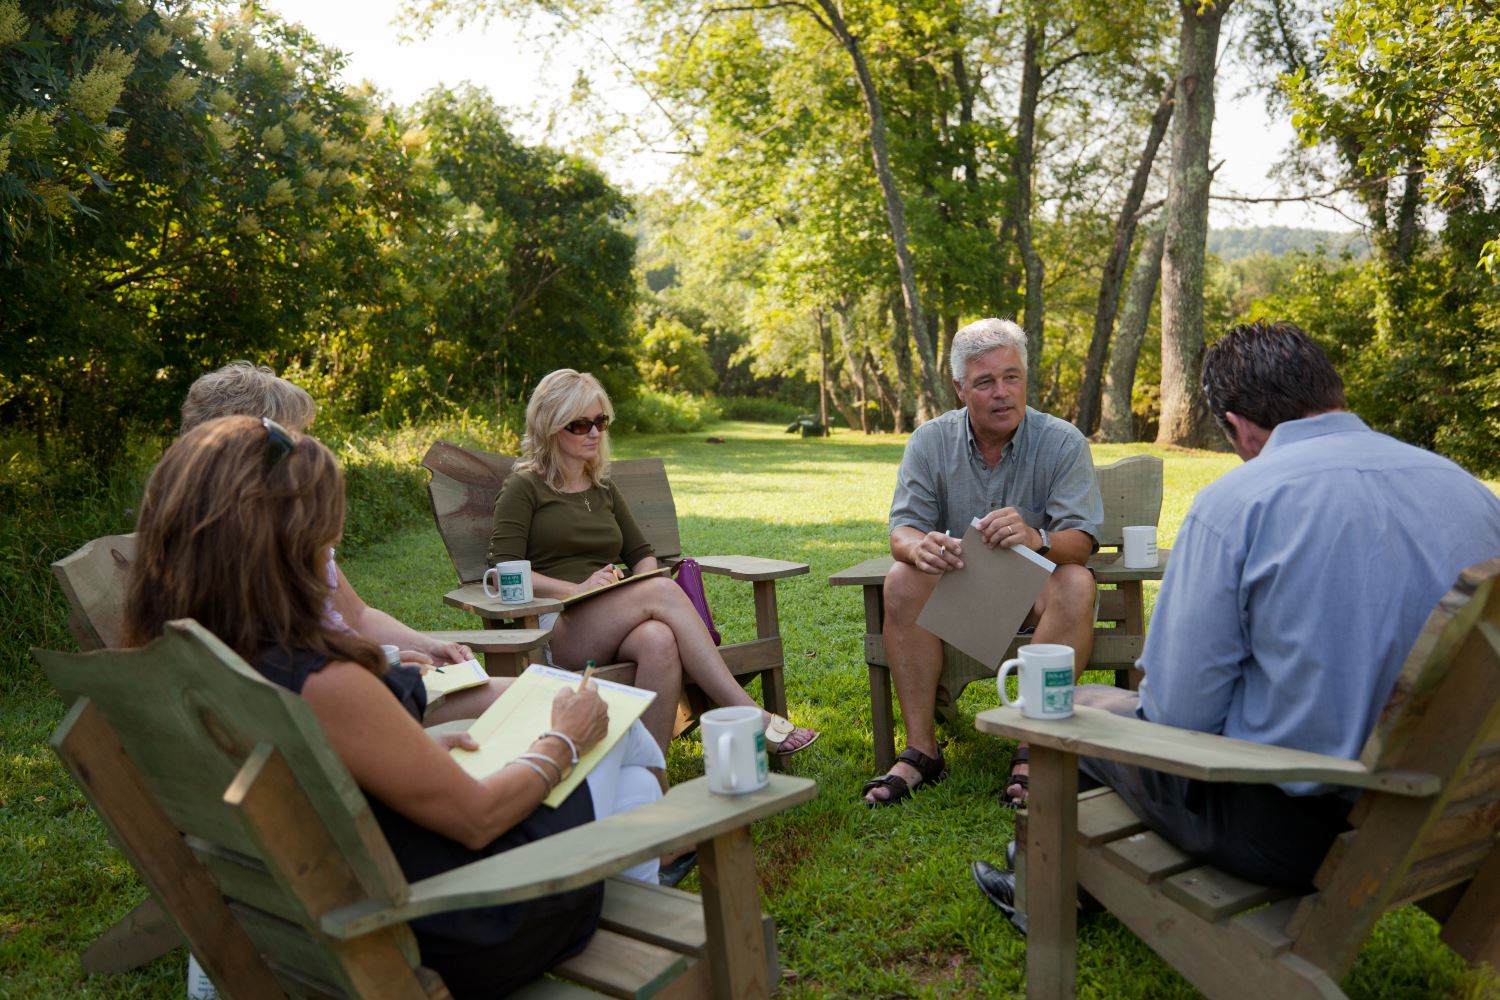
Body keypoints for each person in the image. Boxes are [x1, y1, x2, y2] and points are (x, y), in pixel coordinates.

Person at [971, 320, 1500, 921]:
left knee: (1081, 708)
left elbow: (1178, 717)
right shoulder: (1471, 493)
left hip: (1300, 833)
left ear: (1238, 427)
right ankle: (1062, 877)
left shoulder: (1240, 505)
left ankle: (1046, 888)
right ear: (1334, 393)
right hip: (1459, 814)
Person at [124, 415, 665, 998]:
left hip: (338, 899)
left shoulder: (176, 659)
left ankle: (644, 919)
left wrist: (397, 754)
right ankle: (653, 941)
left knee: (636, 786)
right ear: (285, 544)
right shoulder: (326, 682)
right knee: (609, 724)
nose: (331, 554)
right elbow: (478, 818)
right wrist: (562, 741)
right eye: (325, 537)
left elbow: (304, 779)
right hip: (462, 927)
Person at [487, 369, 819, 757]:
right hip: (557, 624)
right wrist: (576, 590)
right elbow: (503, 566)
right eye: (579, 425)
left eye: (600, 421)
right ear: (550, 427)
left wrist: (634, 587)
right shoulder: (526, 485)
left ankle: (648, 773)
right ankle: (748, 714)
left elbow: (642, 554)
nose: (594, 432)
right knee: (661, 588)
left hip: (613, 615)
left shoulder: (603, 488)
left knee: (659, 639)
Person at [863, 319, 1102, 807]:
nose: (1002, 393)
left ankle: (1032, 745)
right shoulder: (930, 441)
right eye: (985, 382)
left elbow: (1081, 542)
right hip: (961, 593)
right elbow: (902, 530)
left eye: (1012, 377)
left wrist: (1036, 537)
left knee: (1076, 583)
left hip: (1039, 597)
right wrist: (918, 547)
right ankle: (921, 751)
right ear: (959, 388)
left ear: (1026, 378)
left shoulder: (1062, 441)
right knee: (902, 577)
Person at [181, 361, 487, 724]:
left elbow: (355, 615)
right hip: (341, 711)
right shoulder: (236, 560)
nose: (307, 450)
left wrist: (425, 645)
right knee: (534, 711)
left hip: (361, 688)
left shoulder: (290, 531)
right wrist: (375, 667)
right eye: (294, 438)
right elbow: (285, 674)